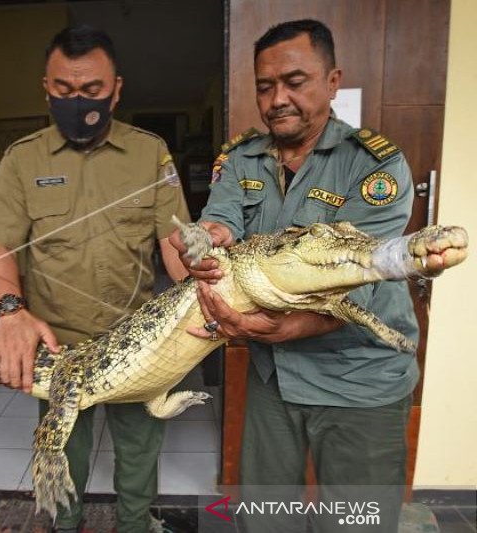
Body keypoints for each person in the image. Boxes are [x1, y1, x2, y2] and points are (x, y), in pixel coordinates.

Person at [170, 19, 418, 533]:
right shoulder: (241, 157)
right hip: (274, 375)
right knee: (266, 517)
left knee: (358, 522)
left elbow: (362, 278)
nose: (277, 98)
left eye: (295, 81)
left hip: (359, 378)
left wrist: (284, 327)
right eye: (265, 86)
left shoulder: (374, 167)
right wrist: (205, 241)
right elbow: (224, 221)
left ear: (332, 81)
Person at [0, 25, 190, 533]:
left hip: (138, 344)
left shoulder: (150, 153)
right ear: (45, 89)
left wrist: (201, 295)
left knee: (140, 449)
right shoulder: (22, 159)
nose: (78, 103)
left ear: (116, 89)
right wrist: (11, 311)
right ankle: (64, 525)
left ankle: (137, 523)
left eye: (92, 91)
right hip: (58, 347)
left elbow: (173, 242)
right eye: (64, 91)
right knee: (62, 453)